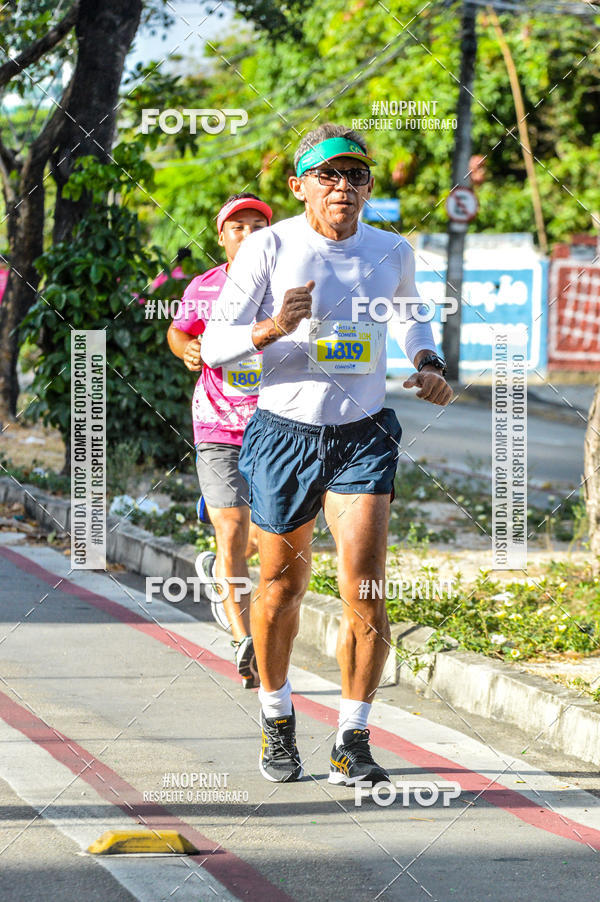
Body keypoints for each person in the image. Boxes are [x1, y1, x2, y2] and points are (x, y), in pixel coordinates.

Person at [201, 123, 452, 785]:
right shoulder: (269, 247)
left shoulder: (391, 248)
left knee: (365, 587)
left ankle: (352, 738)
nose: (343, 187)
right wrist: (275, 327)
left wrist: (428, 361)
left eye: (355, 175)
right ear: (300, 186)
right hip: (283, 433)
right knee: (282, 585)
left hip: (363, 434)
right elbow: (215, 343)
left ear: (370, 185)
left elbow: (409, 315)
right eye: (327, 175)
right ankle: (278, 718)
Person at [167, 192, 273, 688]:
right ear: (222, 237)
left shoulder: (286, 286)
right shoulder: (205, 287)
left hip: (277, 427)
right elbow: (177, 329)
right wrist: (187, 346)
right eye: (238, 227)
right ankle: (242, 639)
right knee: (233, 531)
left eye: (258, 226)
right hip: (218, 425)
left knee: (258, 540)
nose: (249, 235)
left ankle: (215, 569)